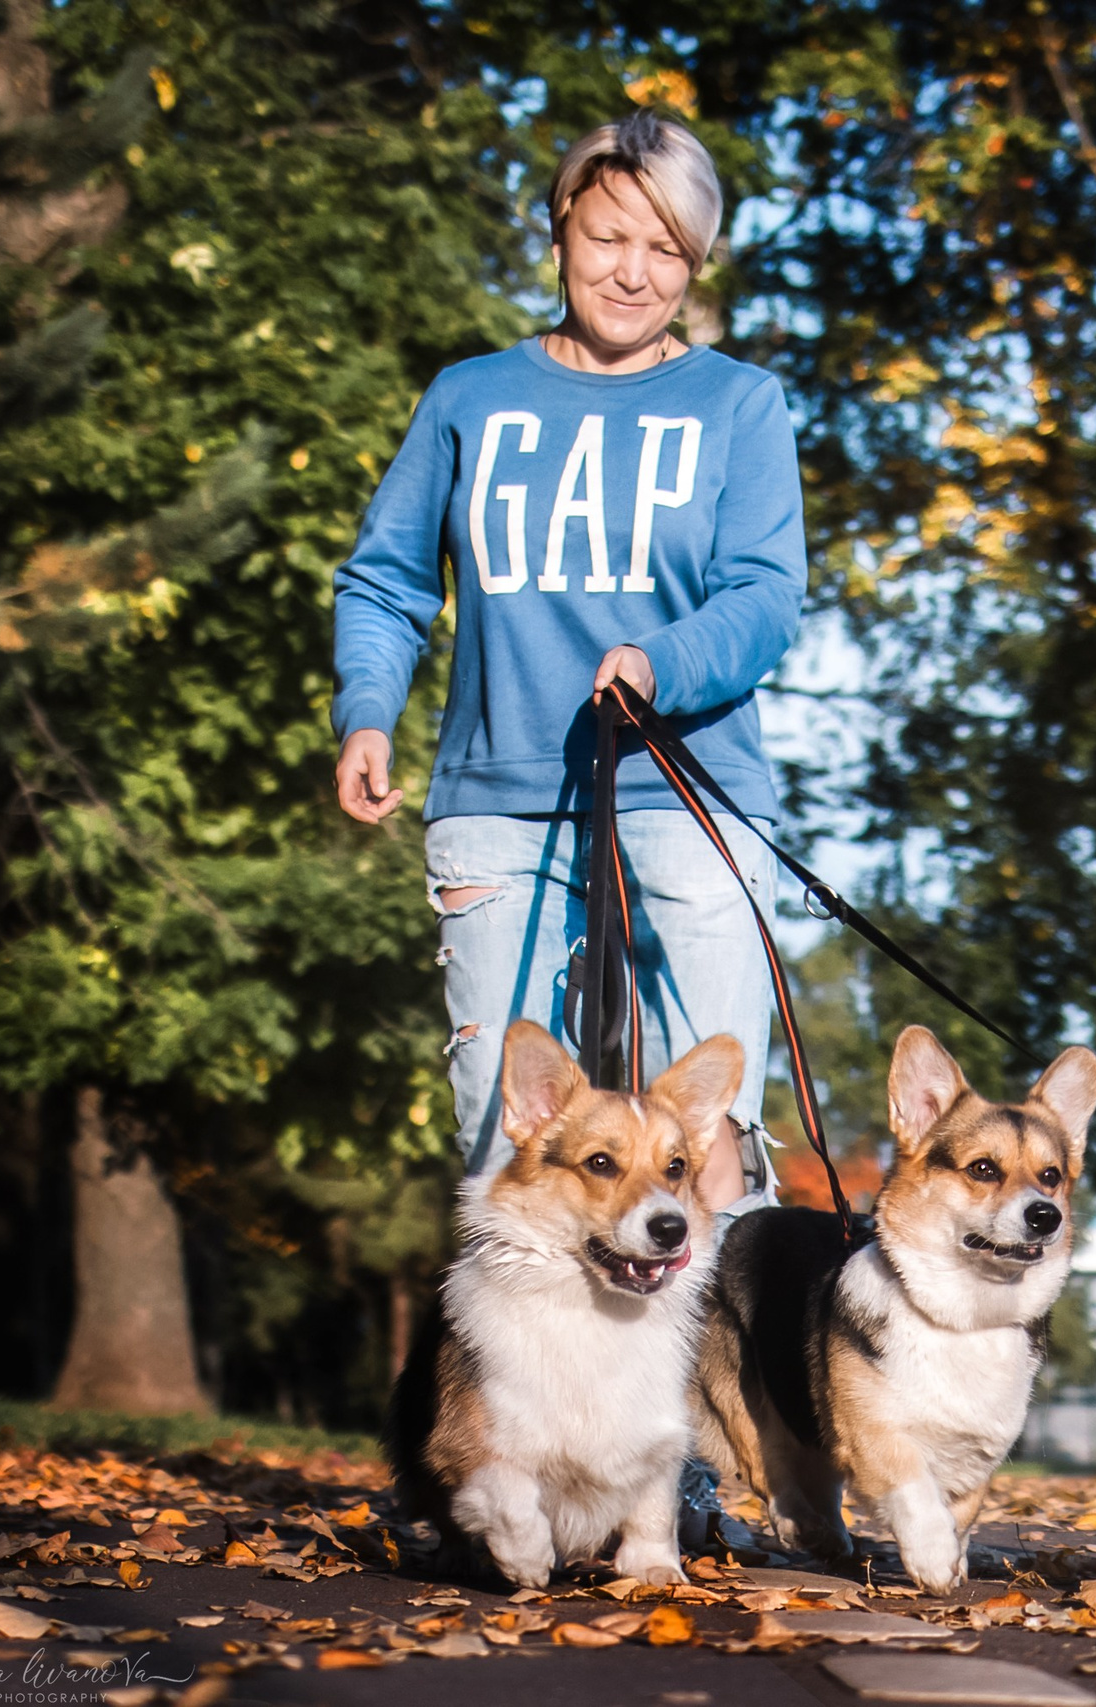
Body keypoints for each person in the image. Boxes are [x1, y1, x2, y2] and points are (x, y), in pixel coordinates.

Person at [331, 110, 799, 1185]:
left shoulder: (740, 404)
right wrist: (366, 708)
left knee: (706, 1153)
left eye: (666, 249)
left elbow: (766, 597)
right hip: (497, 809)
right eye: (607, 238)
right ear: (557, 234)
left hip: (692, 801)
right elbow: (387, 579)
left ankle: (718, 1357)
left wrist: (659, 664)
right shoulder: (470, 398)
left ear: (695, 260)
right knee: (513, 1154)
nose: (633, 273)